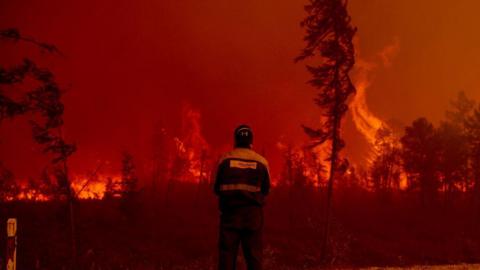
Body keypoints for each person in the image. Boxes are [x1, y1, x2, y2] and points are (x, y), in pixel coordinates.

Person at [213, 124, 270, 270]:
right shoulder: (262, 162)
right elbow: (266, 190)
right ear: (251, 142)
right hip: (253, 217)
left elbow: (216, 188)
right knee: (254, 258)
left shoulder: (224, 160)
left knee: (227, 256)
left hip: (230, 216)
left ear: (235, 141)